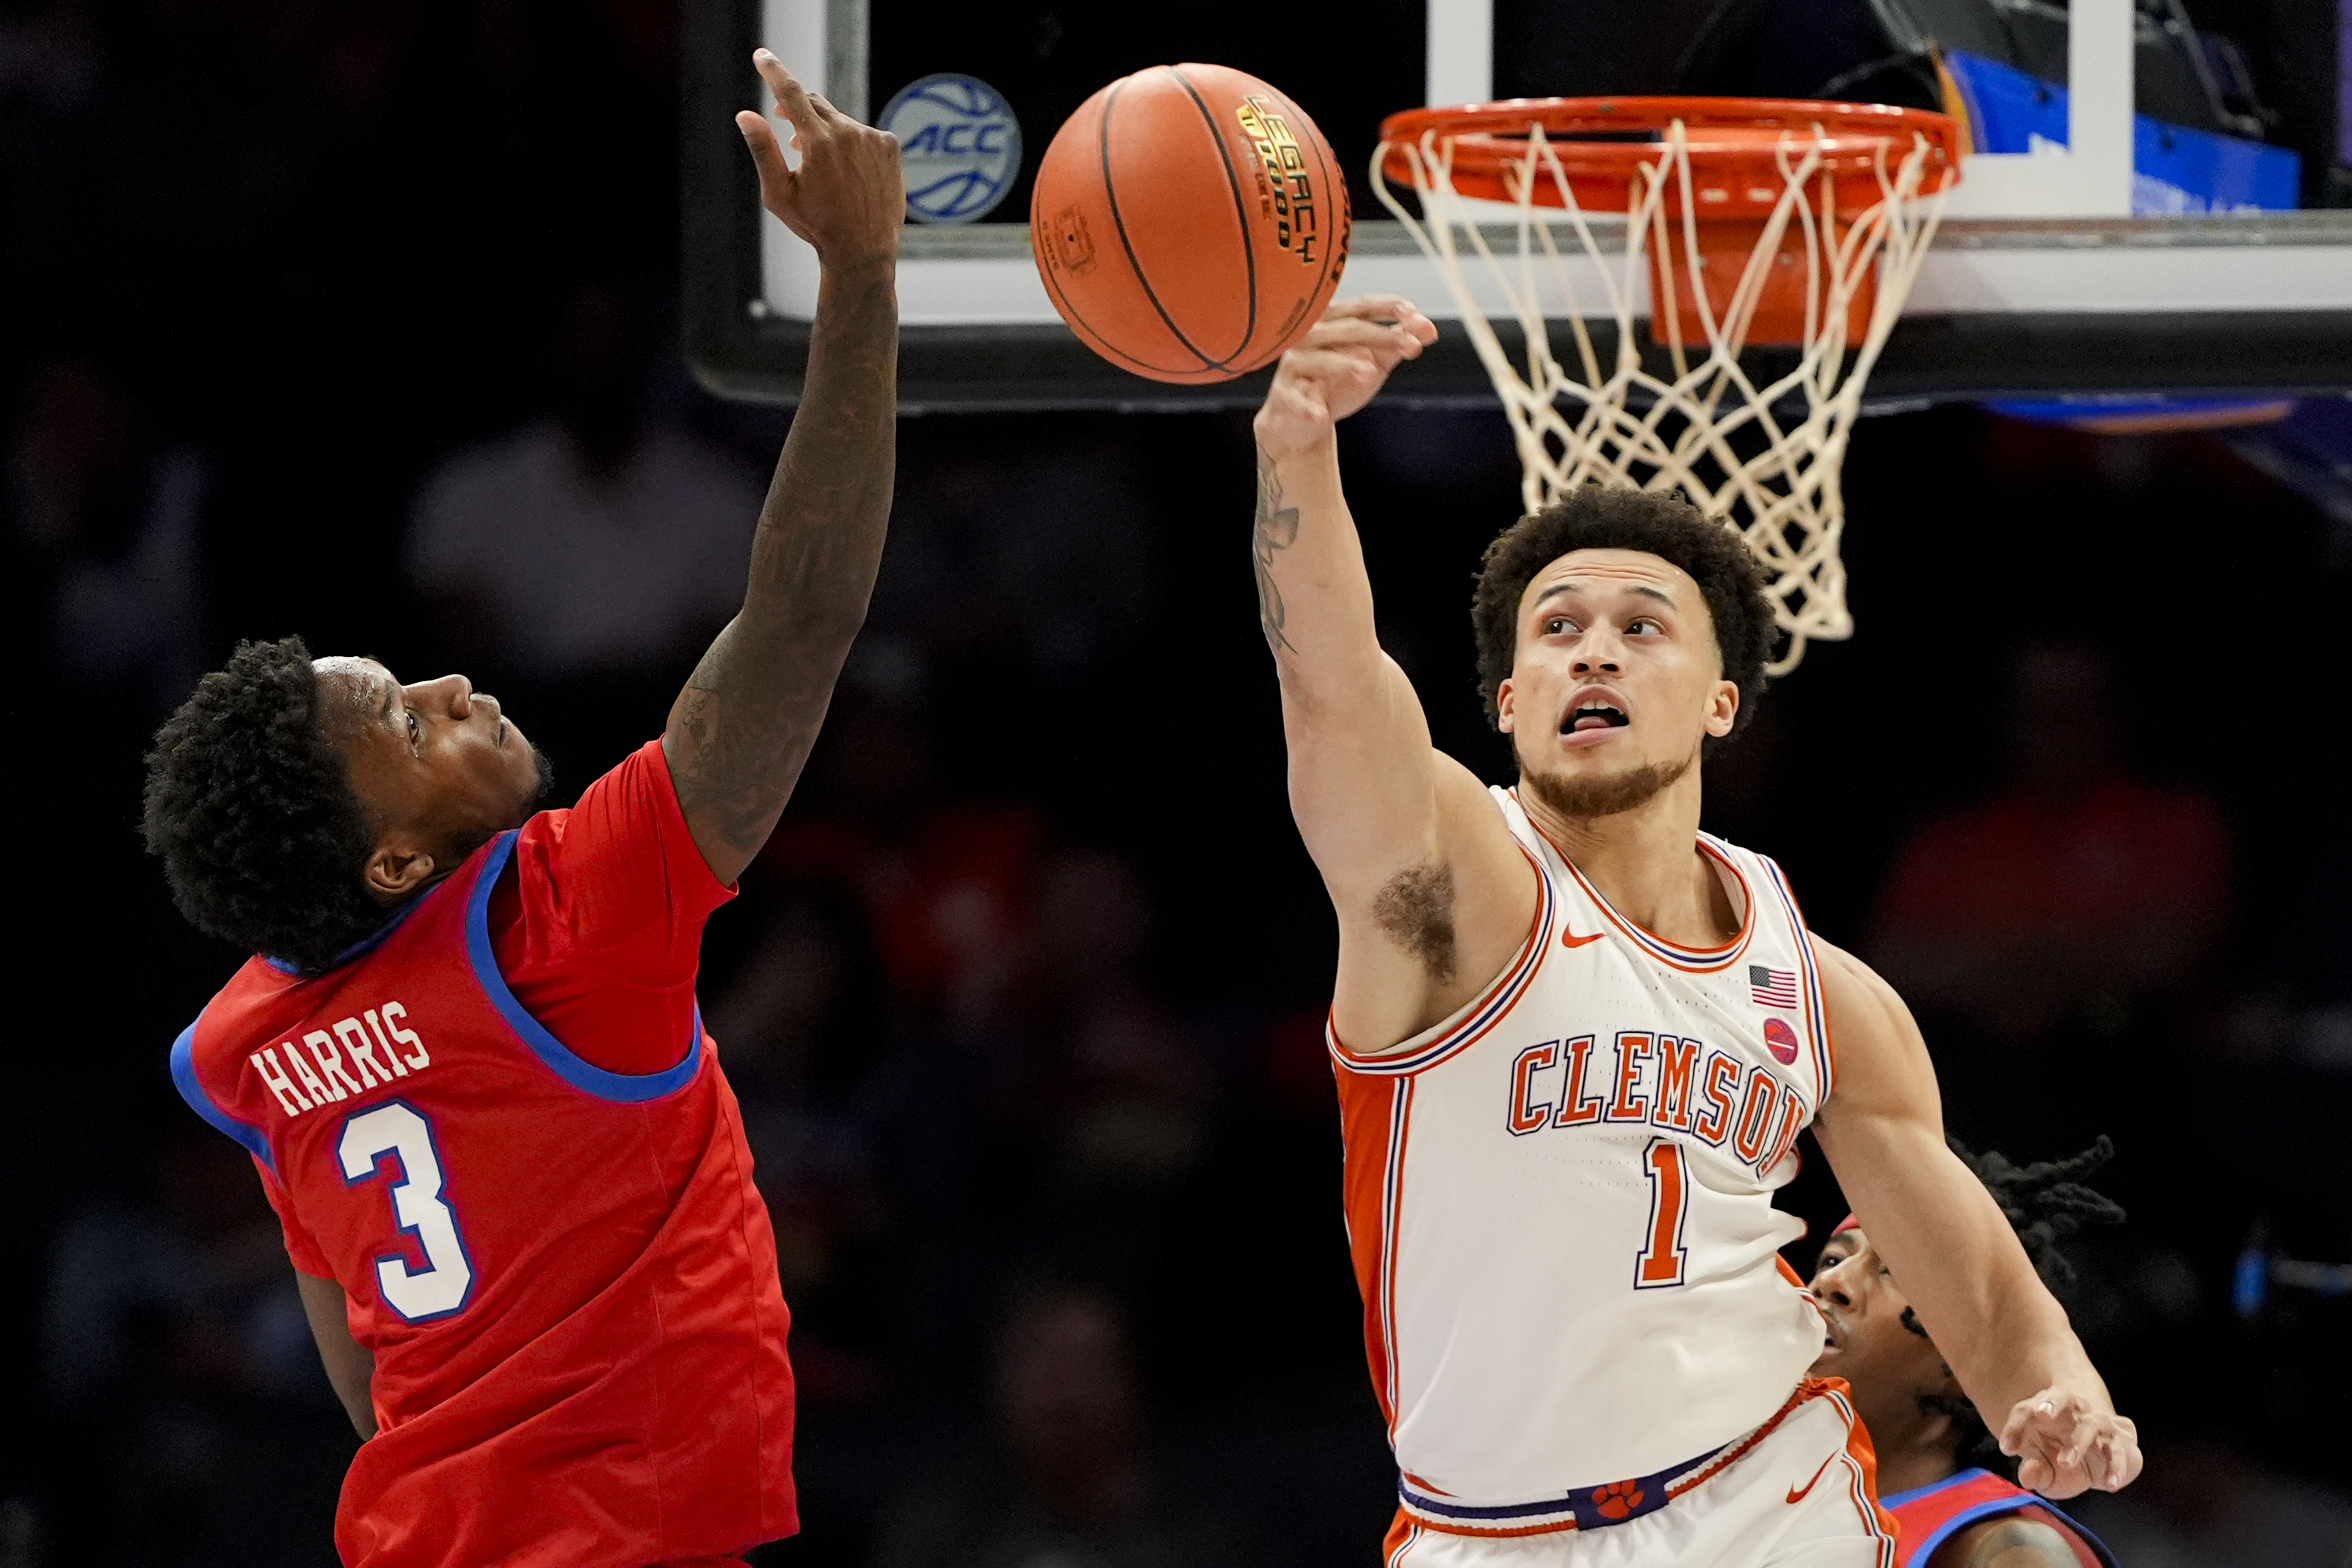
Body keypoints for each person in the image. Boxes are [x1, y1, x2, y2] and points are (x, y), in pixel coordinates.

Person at [139, 52, 901, 1568]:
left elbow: (367, 1382)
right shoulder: (559, 923)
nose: (454, 686)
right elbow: (800, 622)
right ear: (398, 856)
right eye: (403, 723)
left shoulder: (247, 1047)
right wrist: (866, 276)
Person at [1249, 297, 2141, 1565]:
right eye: (1553, 631)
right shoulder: (1453, 886)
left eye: (1639, 627)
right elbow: (1332, 690)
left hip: (1769, 1498)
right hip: (1488, 1533)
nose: (1590, 654)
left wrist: (2053, 1391)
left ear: (1719, 700)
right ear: (1507, 703)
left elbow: (1976, 1284)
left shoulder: (1818, 990)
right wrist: (1294, 455)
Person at [1810, 1140, 2127, 1567]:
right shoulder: (1736, 1508)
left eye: (1894, 1271)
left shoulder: (2004, 1550)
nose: (1832, 1283)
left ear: (1975, 1352)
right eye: (1832, 1258)